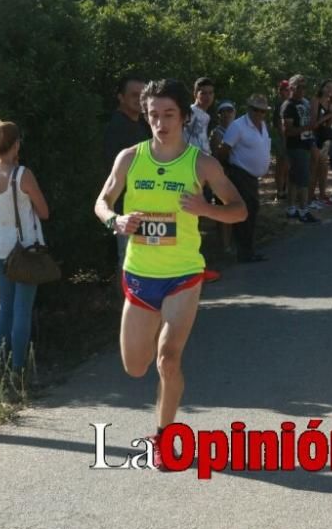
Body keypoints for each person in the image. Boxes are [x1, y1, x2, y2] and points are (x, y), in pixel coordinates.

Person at [94, 79, 246, 471]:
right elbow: (102, 201)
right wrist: (116, 220)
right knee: (135, 367)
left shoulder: (201, 163)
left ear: (183, 116)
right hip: (140, 275)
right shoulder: (130, 158)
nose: (160, 123)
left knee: (169, 359)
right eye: (153, 116)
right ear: (146, 117)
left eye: (169, 115)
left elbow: (239, 210)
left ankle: (165, 437)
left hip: (183, 275)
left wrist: (205, 208)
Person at [0, 119, 50, 373]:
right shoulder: (23, 175)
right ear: (16, 144)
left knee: (4, 306)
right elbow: (44, 212)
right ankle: (18, 368)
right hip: (25, 248)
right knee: (23, 309)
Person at [104, 76, 151, 293]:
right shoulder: (117, 128)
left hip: (149, 209)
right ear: (120, 97)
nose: (139, 99)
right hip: (126, 209)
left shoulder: (142, 123)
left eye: (142, 95)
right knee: (130, 268)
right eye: (133, 95)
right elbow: (117, 175)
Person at [218, 94, 272, 263]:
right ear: (249, 109)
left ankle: (246, 250)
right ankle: (244, 252)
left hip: (251, 177)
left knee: (251, 211)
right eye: (255, 110)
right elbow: (223, 149)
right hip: (240, 174)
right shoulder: (238, 126)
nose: (259, 113)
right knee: (247, 212)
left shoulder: (262, 125)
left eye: (262, 111)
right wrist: (226, 168)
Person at [183, 77, 221, 283]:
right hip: (191, 170)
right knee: (191, 221)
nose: (207, 97)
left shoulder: (205, 115)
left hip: (201, 169)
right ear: (195, 93)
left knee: (196, 221)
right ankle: (192, 269)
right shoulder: (190, 112)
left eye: (210, 93)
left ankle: (196, 267)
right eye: (203, 92)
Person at [280, 74, 319, 223]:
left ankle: (292, 209)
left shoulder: (305, 102)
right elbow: (287, 131)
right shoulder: (288, 106)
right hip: (295, 146)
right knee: (303, 179)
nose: (303, 90)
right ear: (291, 88)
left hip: (306, 143)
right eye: (299, 87)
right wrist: (306, 128)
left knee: (295, 179)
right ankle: (304, 211)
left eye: (304, 87)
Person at [210, 101, 237, 255]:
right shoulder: (217, 133)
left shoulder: (238, 130)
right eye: (223, 111)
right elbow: (217, 156)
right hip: (223, 176)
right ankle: (225, 246)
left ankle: (233, 242)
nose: (226, 114)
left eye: (229, 111)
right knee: (224, 211)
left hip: (237, 175)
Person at [310, 79, 332, 207]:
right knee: (314, 167)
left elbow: (329, 125)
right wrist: (328, 115)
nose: (329, 90)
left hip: (325, 137)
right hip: (314, 136)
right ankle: (310, 196)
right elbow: (314, 123)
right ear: (321, 88)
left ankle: (322, 195)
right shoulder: (315, 101)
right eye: (327, 87)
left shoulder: (331, 104)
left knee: (323, 168)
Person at [270, 80, 291, 202]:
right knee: (281, 165)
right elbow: (279, 124)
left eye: (289, 90)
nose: (288, 92)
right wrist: (285, 139)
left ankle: (286, 189)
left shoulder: (290, 103)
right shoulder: (280, 105)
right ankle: (280, 191)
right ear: (281, 91)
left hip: (291, 138)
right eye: (285, 90)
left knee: (288, 166)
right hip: (282, 139)